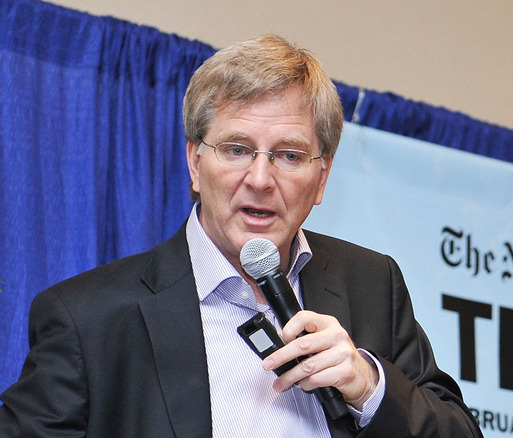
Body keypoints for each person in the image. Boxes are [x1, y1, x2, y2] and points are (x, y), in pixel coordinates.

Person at [0, 34, 482, 437]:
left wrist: (368, 387)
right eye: (236, 149)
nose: (259, 179)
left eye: (289, 155)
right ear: (194, 162)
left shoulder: (372, 283)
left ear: (322, 178)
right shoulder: (89, 318)